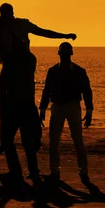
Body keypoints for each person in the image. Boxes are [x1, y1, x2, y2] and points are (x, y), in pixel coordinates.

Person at [0, 0, 77, 186]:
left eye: (6, 15)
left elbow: (43, 32)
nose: (4, 18)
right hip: (14, 76)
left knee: (22, 132)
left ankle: (30, 170)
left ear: (11, 14)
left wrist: (65, 35)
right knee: (12, 133)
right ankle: (22, 171)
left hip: (21, 76)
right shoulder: (0, 26)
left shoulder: (19, 27)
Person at [40, 42, 93, 186]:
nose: (64, 57)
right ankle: (56, 170)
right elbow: (46, 90)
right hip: (60, 106)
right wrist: (43, 108)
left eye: (65, 54)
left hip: (71, 106)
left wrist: (89, 110)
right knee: (56, 141)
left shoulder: (77, 71)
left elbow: (87, 91)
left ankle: (81, 171)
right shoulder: (56, 71)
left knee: (75, 140)